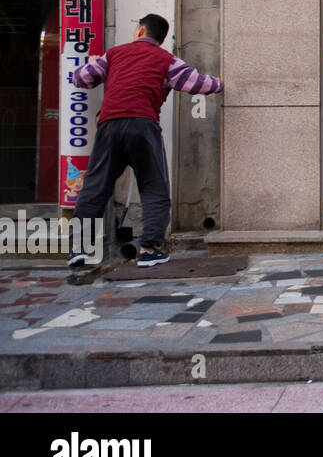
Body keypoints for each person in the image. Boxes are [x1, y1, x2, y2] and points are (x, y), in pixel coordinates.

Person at [67, 14, 224, 267]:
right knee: (154, 188)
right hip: (143, 126)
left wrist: (91, 63)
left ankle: (78, 248)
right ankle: (150, 250)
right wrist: (223, 83)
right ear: (160, 38)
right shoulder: (167, 60)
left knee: (96, 187)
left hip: (109, 124)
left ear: (140, 30)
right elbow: (199, 84)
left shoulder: (114, 54)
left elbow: (81, 78)